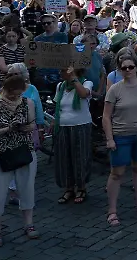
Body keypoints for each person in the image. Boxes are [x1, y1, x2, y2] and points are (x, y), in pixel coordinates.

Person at [0, 71, 38, 247]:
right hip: (0, 154)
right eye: (14, 93)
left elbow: (33, 124)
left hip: (24, 151)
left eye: (20, 93)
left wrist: (27, 127)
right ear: (6, 89)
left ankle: (29, 224)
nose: (16, 97)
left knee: (27, 189)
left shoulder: (28, 103)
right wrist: (5, 130)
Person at [102, 52, 137, 226]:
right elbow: (106, 116)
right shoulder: (115, 89)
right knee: (117, 173)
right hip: (121, 135)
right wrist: (110, 139)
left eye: (130, 67)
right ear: (119, 69)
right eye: (123, 68)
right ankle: (112, 210)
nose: (127, 70)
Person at [53, 64, 94, 205]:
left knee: (81, 157)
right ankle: (69, 188)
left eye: (63, 70)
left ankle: (81, 187)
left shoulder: (86, 82)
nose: (60, 72)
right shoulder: (60, 86)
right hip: (63, 126)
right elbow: (58, 106)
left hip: (81, 125)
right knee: (64, 158)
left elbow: (83, 94)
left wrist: (74, 78)